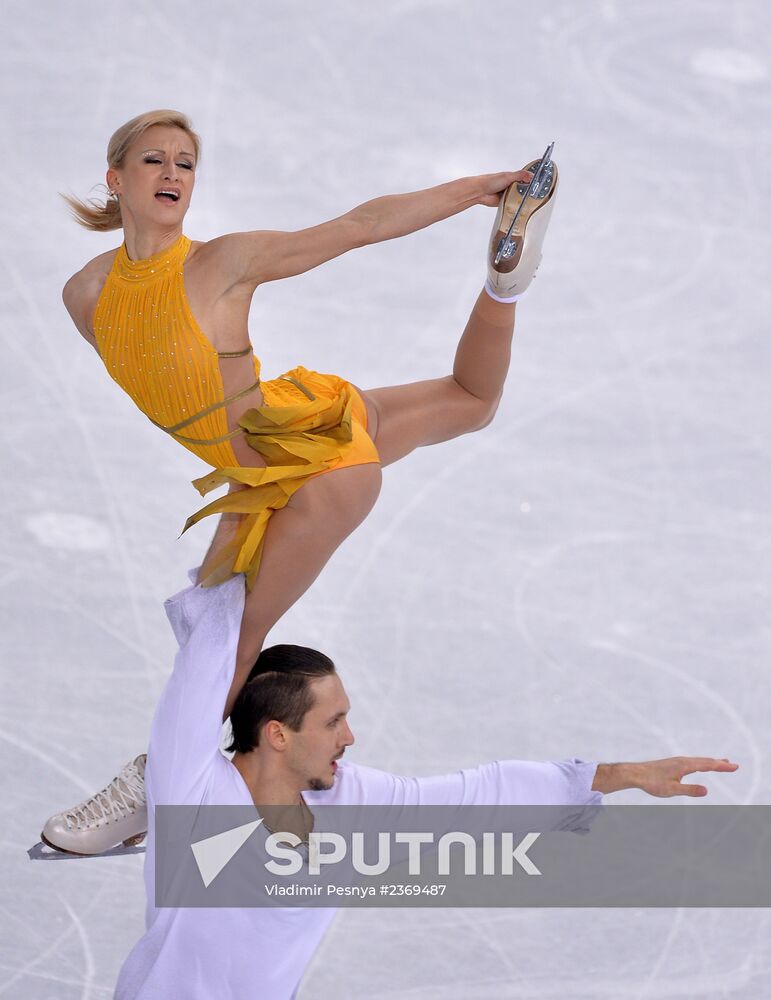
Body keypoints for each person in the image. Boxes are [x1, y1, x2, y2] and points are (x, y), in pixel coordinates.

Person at [43, 108, 557, 853]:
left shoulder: (219, 264)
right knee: (469, 402)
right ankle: (506, 285)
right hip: (294, 434)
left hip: (310, 473)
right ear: (115, 178)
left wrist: (477, 187)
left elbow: (359, 225)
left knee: (230, 637)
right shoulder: (83, 297)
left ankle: (151, 792)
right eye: (155, 161)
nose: (172, 175)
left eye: (185, 164)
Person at [108, 571, 738, 999]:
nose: (349, 737)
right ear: (277, 734)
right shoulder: (195, 789)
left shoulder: (346, 804)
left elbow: (478, 798)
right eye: (333, 722)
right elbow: (216, 638)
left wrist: (621, 776)